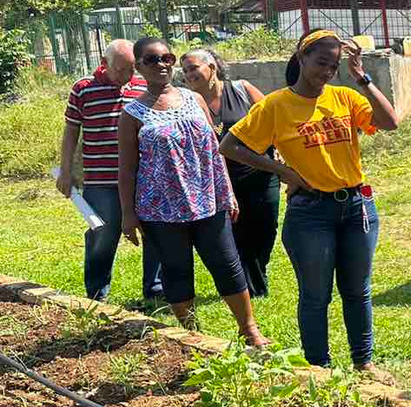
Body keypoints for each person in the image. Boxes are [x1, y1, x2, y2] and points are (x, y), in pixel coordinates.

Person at [222, 30, 400, 369]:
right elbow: (230, 145)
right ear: (301, 58)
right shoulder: (276, 105)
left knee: (357, 291)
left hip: (356, 208)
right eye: (321, 63)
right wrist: (281, 170)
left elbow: (390, 122)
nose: (327, 72)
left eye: (333, 66)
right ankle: (319, 368)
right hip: (310, 213)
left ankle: (365, 364)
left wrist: (362, 79)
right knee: (316, 296)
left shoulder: (345, 98)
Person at [117, 37, 267, 344]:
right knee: (176, 269)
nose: (161, 65)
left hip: (206, 201)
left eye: (166, 58)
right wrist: (128, 215)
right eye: (152, 60)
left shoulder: (193, 99)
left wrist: (227, 192)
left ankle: (249, 329)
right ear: (138, 67)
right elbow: (127, 169)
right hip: (160, 209)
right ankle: (191, 335)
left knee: (226, 262)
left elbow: (213, 150)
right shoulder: (132, 114)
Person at [57, 40, 163, 304]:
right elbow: (71, 132)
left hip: (144, 177)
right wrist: (66, 170)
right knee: (103, 233)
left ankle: (156, 290)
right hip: (101, 179)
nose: (126, 77)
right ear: (104, 64)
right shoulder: (83, 89)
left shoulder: (143, 87)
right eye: (120, 70)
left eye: (131, 70)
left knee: (156, 231)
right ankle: (96, 294)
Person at [180, 49, 277, 298]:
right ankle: (251, 287)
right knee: (237, 233)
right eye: (186, 70)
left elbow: (273, 118)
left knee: (266, 228)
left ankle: (257, 272)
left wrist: (279, 150)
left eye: (194, 68)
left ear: (212, 67)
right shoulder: (186, 102)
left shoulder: (241, 89)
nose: (189, 74)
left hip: (260, 171)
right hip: (220, 179)